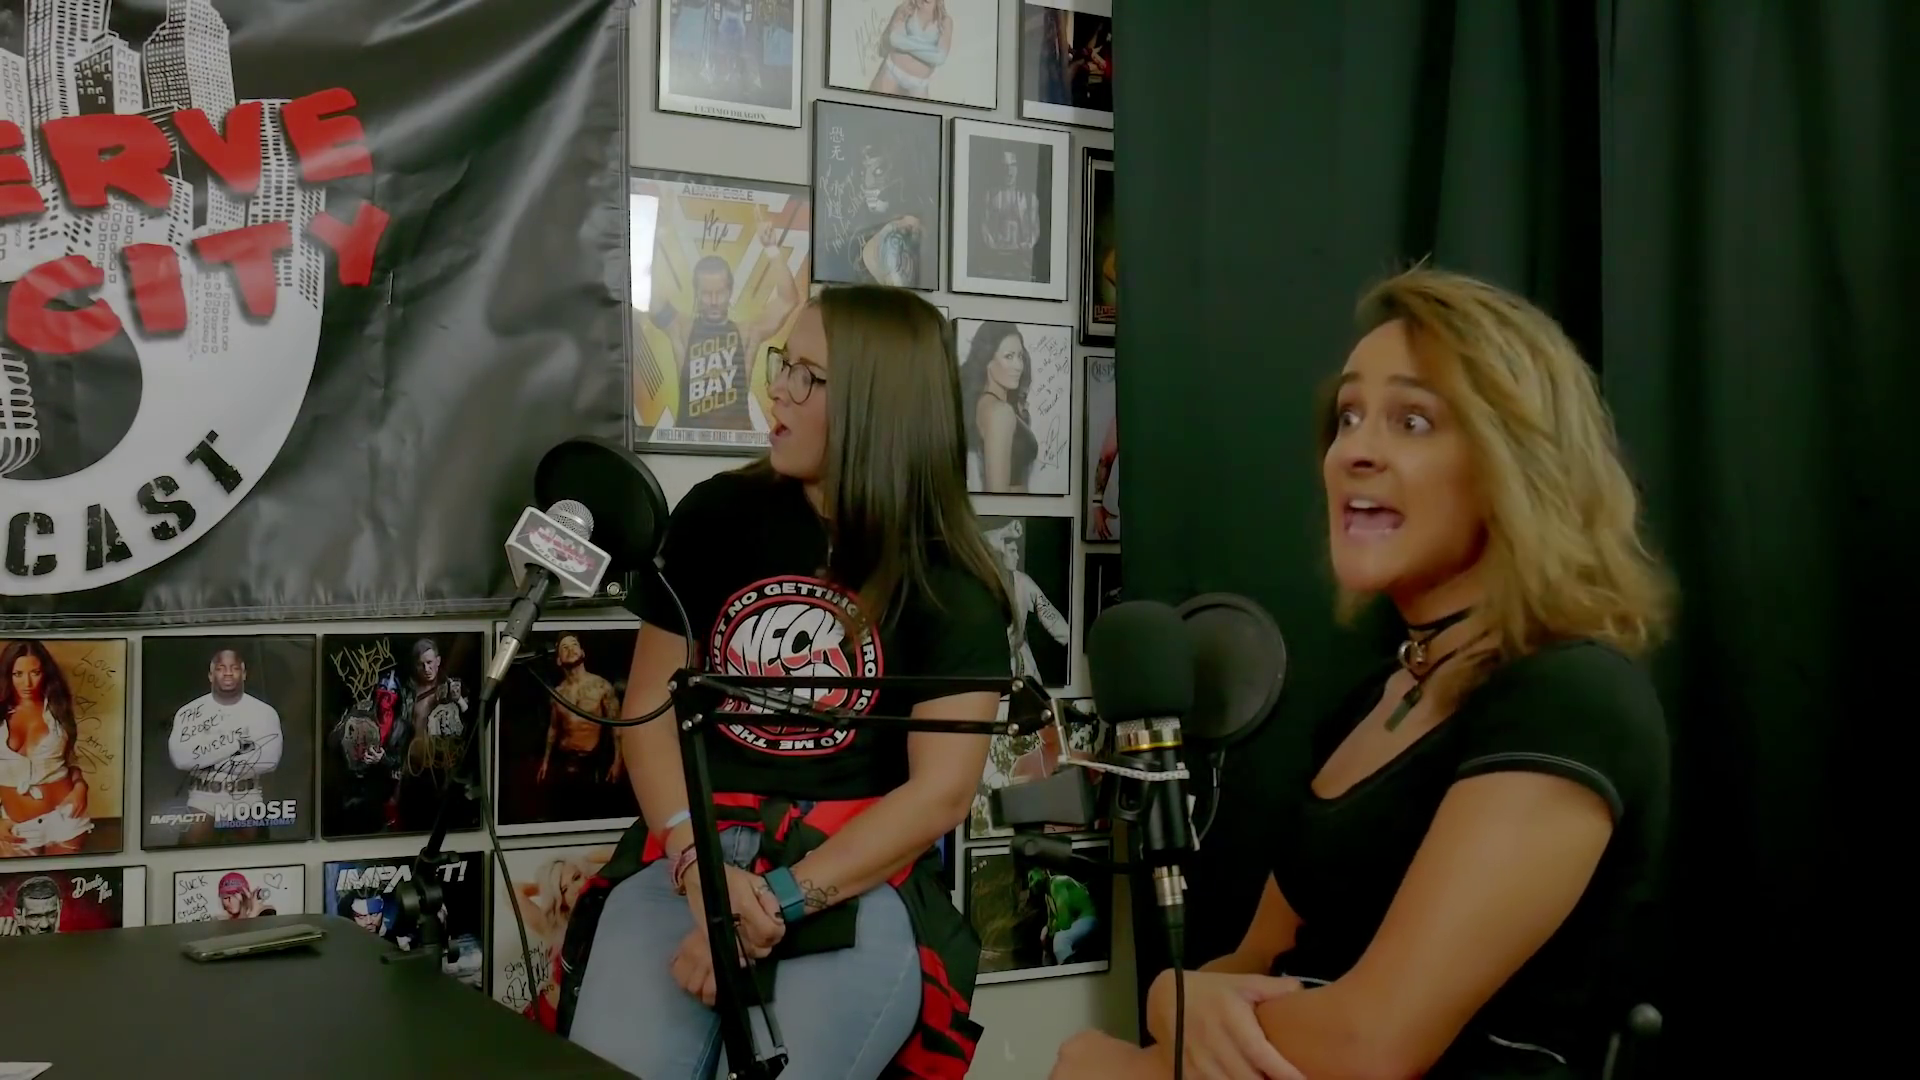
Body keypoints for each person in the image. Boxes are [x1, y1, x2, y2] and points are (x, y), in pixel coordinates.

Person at [1051, 267, 1673, 1080]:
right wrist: (1175, 996)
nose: (1355, 451)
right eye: (1348, 417)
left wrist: (1145, 1055)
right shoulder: (1369, 702)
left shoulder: (1570, 701)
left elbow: (1371, 1041)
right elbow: (1258, 960)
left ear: (1518, 463)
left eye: (1413, 420)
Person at [562, 285, 1014, 1080]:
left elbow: (939, 794)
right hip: (690, 854)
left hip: (847, 878)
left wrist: (777, 900)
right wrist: (700, 873)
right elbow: (649, 714)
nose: (779, 390)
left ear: (877, 406)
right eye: (783, 364)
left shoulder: (952, 579)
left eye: (810, 376)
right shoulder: (716, 516)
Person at [646, 191, 802, 435]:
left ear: (729, 291)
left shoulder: (747, 333)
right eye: (707, 294)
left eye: (719, 293)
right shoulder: (682, 329)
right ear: (697, 294)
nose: (713, 301)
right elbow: (652, 300)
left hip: (736, 446)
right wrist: (660, 231)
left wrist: (772, 249)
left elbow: (788, 300)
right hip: (688, 445)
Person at [167, 648, 284, 845]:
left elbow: (269, 760)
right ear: (210, 675)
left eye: (234, 668)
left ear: (244, 674)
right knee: (191, 853)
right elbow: (181, 759)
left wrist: (205, 757)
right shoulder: (189, 712)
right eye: (221, 668)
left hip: (247, 799)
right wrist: (237, 746)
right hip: (202, 799)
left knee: (254, 857)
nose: (228, 673)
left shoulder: (264, 712)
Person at [0, 640, 91, 857]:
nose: (27, 683)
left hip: (65, 817)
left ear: (45, 673)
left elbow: (70, 759)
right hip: (14, 825)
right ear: (7, 676)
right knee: (18, 879)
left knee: (60, 878)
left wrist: (81, 787)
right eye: (18, 674)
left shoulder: (57, 710)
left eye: (35, 673)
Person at [536, 633, 624, 805]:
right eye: (565, 647)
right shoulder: (558, 693)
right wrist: (545, 762)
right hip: (565, 762)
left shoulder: (601, 686)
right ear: (559, 660)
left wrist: (618, 760)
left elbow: (618, 726)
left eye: (574, 645)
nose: (570, 649)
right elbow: (554, 728)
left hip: (593, 762)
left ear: (583, 652)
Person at [984, 519, 1069, 682]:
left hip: (1019, 660)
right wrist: (1005, 532)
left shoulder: (1023, 583)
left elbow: (1049, 614)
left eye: (1017, 551)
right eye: (1012, 551)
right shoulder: (982, 582)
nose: (1016, 556)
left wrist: (1071, 640)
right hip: (989, 662)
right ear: (999, 553)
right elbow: (979, 543)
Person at [961, 322, 1038, 492]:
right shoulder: (1000, 412)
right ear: (987, 360)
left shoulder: (986, 404)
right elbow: (997, 492)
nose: (1018, 366)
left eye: (1020, 356)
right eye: (1009, 356)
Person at [870, 0, 952, 98]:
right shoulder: (906, 8)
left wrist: (905, 43)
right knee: (872, 104)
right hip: (892, 71)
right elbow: (894, 39)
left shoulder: (945, 20)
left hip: (919, 83)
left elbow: (940, 58)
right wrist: (930, 49)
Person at [1029, 868, 1098, 965]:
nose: (1030, 885)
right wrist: (1047, 934)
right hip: (1076, 922)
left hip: (1087, 918)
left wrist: (1050, 933)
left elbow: (1065, 921)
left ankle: (1070, 970)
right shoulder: (1048, 896)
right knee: (1046, 951)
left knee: (1061, 940)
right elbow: (1051, 921)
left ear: (1044, 873)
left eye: (1032, 878)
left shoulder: (1057, 884)